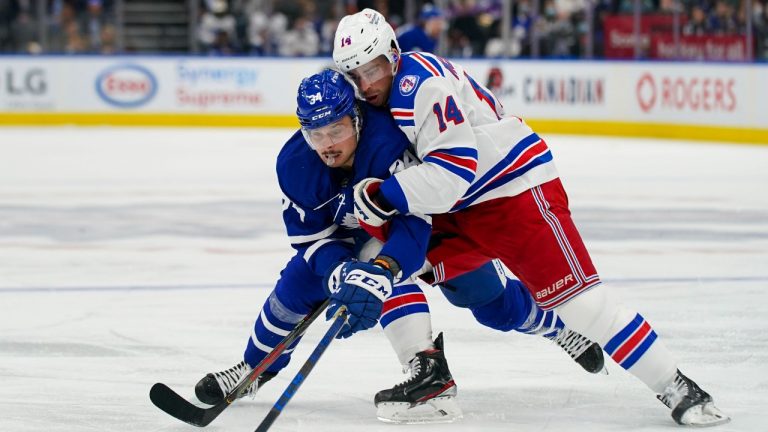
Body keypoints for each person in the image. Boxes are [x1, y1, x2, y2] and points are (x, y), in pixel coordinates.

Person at [330, 8, 730, 427]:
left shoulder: (419, 84)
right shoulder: (376, 98)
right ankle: (432, 381)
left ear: (392, 53)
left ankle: (678, 387)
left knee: (581, 304)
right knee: (392, 264)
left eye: (372, 69)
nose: (366, 84)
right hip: (462, 209)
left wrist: (385, 193)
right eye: (354, 75)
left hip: (513, 194)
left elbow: (454, 170)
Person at [193, 69, 604, 424]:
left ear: (356, 119)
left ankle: (556, 327)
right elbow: (311, 240)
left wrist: (386, 267)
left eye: (336, 130)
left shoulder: (387, 144)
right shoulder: (294, 163)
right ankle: (257, 367)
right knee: (295, 288)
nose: (327, 144)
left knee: (490, 303)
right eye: (314, 133)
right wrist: (339, 269)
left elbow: (416, 220)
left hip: (421, 232)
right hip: (349, 239)